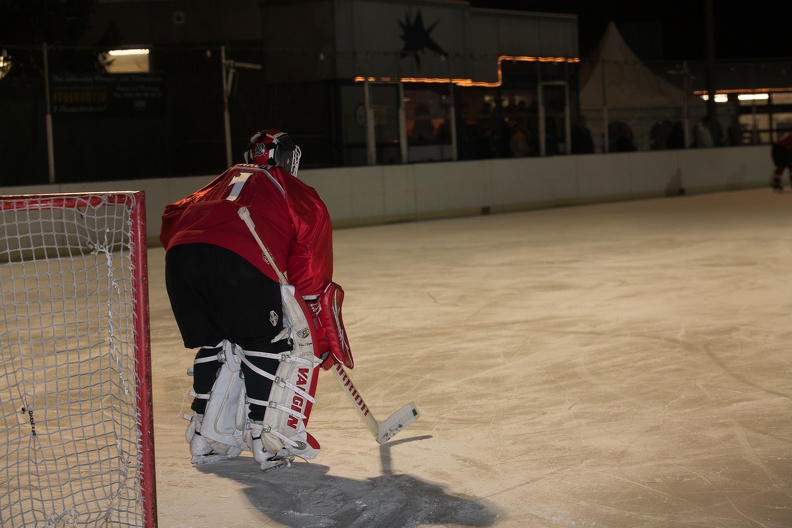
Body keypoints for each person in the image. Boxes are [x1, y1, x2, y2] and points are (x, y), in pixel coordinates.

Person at [160, 130, 352, 471]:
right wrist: (314, 315)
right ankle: (267, 441)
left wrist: (202, 262)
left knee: (215, 344)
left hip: (180, 261)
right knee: (268, 345)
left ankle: (207, 437)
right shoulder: (297, 191)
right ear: (287, 158)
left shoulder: (224, 179)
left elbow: (173, 216)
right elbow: (309, 267)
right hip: (239, 262)